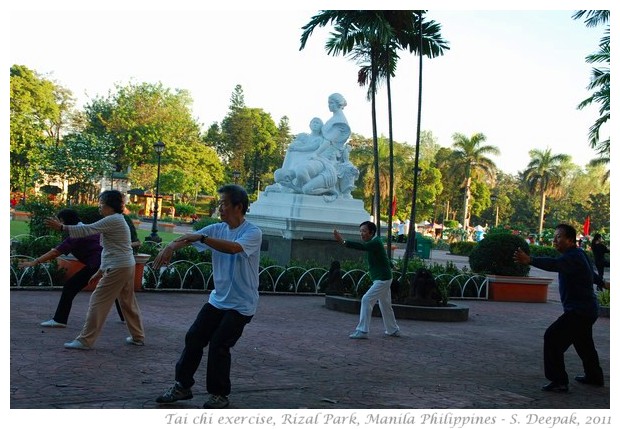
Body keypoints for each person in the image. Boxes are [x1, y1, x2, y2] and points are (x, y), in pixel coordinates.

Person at [154, 184, 262, 409]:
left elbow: (233, 248)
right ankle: (182, 386)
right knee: (194, 337)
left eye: (223, 204)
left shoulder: (252, 232)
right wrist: (172, 246)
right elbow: (191, 237)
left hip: (241, 304)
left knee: (219, 344)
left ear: (238, 207)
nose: (219, 208)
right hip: (218, 300)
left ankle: (219, 394)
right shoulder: (217, 229)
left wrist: (202, 238)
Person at [43, 190, 145, 350]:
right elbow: (109, 249)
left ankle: (85, 340)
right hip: (125, 265)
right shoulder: (116, 219)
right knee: (127, 302)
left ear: (110, 206)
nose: (99, 207)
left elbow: (86, 230)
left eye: (101, 204)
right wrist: (101, 270)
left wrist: (62, 227)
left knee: (98, 301)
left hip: (119, 266)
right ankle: (137, 336)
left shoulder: (113, 220)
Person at [513, 223, 606, 392]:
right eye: (554, 237)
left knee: (552, 338)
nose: (554, 240)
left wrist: (530, 260)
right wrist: (604, 283)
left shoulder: (572, 256)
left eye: (559, 237)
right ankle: (594, 376)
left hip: (579, 311)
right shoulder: (579, 254)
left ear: (570, 240)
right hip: (586, 309)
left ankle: (559, 381)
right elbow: (591, 274)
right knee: (583, 342)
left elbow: (554, 264)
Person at [19, 209, 102, 328]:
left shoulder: (77, 234)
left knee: (70, 287)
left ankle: (60, 319)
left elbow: (55, 252)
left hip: (97, 264)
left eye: (59, 221)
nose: (56, 224)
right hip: (105, 263)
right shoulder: (83, 229)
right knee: (119, 292)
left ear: (65, 221)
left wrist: (34, 262)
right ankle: (125, 319)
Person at [333, 221, 400, 339]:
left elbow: (362, 247)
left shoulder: (374, 242)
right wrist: (392, 265)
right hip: (383, 277)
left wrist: (343, 242)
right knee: (385, 305)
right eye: (360, 231)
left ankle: (362, 330)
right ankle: (393, 329)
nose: (361, 234)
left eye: (364, 231)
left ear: (371, 232)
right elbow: (383, 256)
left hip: (382, 279)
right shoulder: (375, 242)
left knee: (366, 299)